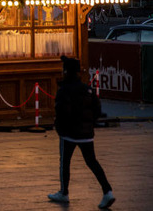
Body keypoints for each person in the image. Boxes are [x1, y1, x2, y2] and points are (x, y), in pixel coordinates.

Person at [49, 56, 115, 209]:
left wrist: (59, 128)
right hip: (86, 134)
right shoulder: (87, 89)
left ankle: (64, 192)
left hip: (69, 134)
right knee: (92, 162)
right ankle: (107, 191)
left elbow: (62, 111)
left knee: (65, 163)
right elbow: (97, 110)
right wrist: (90, 125)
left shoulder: (64, 90)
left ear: (66, 71)